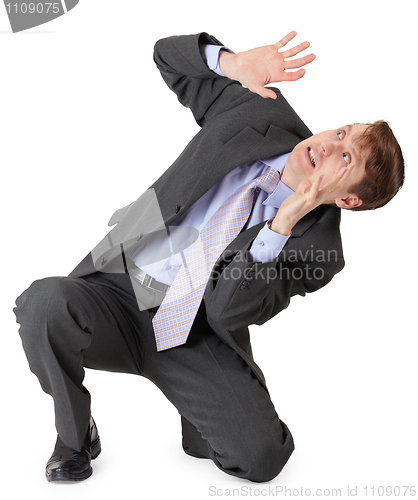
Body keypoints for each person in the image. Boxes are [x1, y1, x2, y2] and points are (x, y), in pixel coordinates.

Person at [13, 31, 404, 483]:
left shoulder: (319, 249)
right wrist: (230, 63)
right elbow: (166, 57)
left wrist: (281, 225)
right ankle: (75, 435)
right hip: (120, 288)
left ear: (349, 201)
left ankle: (196, 413)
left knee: (261, 459)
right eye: (340, 132)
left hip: (195, 331)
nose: (328, 144)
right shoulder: (261, 111)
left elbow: (230, 308)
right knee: (45, 304)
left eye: (346, 157)